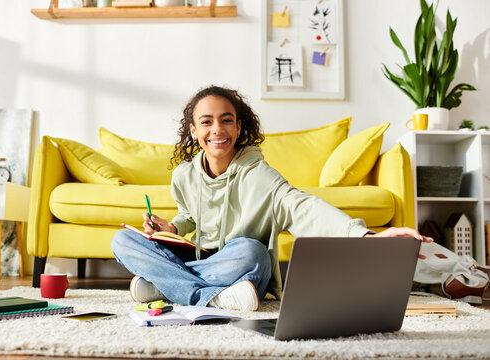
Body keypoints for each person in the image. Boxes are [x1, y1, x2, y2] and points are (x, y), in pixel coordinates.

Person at [111, 85, 432, 311]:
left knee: (253, 252)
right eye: (206, 122)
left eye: (226, 120)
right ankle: (211, 296)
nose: (217, 129)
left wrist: (364, 235)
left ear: (238, 127)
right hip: (203, 260)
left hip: (237, 263)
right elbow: (189, 216)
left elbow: (300, 205)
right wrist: (172, 228)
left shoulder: (259, 174)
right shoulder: (183, 175)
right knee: (122, 241)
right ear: (194, 131)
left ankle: (166, 286)